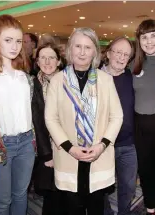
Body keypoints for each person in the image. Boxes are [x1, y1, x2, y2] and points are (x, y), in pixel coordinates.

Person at [45, 27, 123, 215]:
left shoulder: (106, 80)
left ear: (95, 51)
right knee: (71, 207)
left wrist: (102, 145)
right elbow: (50, 118)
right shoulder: (57, 80)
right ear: (70, 49)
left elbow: (117, 116)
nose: (82, 52)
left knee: (96, 207)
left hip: (98, 155)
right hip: (68, 155)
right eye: (78, 46)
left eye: (87, 47)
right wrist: (70, 148)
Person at [0, 14, 35, 215]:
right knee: (1, 201)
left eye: (18, 41)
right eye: (8, 40)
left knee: (21, 195)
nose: (15, 46)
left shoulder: (25, 77)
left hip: (26, 144)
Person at [133, 19, 155, 215]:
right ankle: (150, 207)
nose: (149, 41)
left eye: (153, 35)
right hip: (140, 126)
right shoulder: (134, 65)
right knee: (146, 171)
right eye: (144, 37)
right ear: (139, 40)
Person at [102, 36, 137, 215]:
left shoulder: (131, 78)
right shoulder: (95, 78)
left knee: (129, 186)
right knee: (101, 188)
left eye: (126, 54)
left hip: (128, 144)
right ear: (108, 53)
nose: (122, 57)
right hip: (103, 146)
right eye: (118, 52)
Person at [32, 42, 67, 215]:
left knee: (69, 193)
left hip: (69, 146)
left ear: (59, 61)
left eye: (51, 57)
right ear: (37, 62)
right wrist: (47, 154)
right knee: (52, 195)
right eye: (42, 58)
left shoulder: (69, 82)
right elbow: (36, 122)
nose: (47, 62)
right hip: (47, 147)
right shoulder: (32, 86)